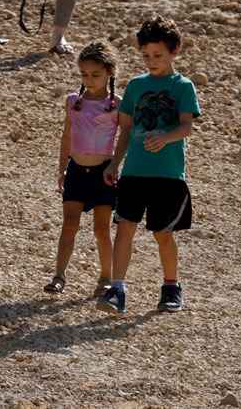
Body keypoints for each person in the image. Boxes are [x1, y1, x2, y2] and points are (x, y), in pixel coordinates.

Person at [101, 17, 201, 315]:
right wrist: (113, 163)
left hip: (168, 175)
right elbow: (126, 129)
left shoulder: (183, 86)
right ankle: (116, 289)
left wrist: (165, 137)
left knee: (163, 234)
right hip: (134, 173)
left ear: (175, 52)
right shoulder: (135, 85)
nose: (151, 61)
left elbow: (186, 127)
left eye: (158, 55)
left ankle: (171, 285)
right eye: (145, 55)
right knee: (125, 227)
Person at [45, 41, 122, 298]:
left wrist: (116, 165)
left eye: (95, 75)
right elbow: (67, 136)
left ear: (110, 73)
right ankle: (59, 275)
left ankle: (105, 277)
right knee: (69, 224)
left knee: (101, 229)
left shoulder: (117, 105)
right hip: (76, 171)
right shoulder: (73, 101)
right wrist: (61, 169)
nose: (89, 80)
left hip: (103, 173)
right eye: (84, 74)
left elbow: (125, 138)